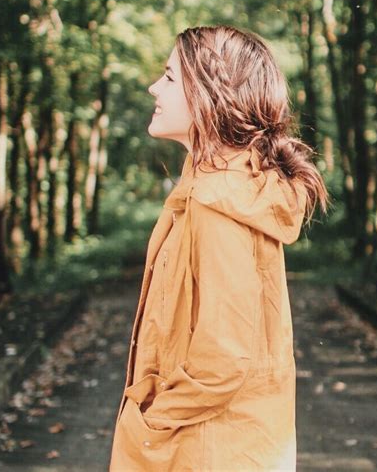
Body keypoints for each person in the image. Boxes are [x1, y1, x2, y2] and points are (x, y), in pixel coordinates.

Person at [109, 25, 329, 471]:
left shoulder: (219, 202)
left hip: (203, 451)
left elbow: (224, 361)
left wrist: (150, 422)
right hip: (232, 444)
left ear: (211, 95)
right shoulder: (221, 187)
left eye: (170, 78)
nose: (154, 87)